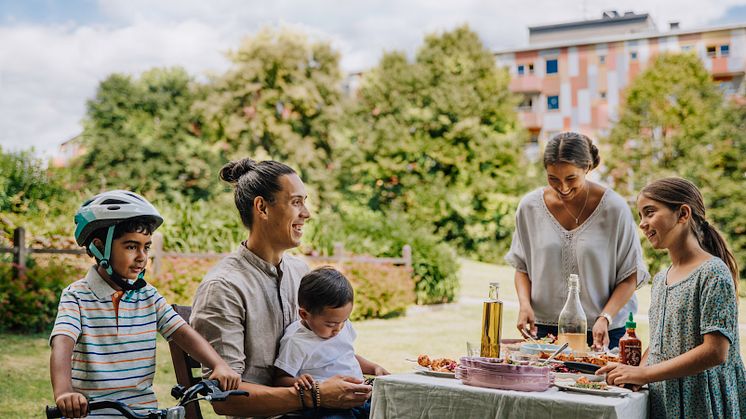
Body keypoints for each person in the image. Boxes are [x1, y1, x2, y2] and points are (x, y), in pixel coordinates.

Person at [190, 158, 372, 418]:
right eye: (296, 202)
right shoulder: (224, 288)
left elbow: (317, 346)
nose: (306, 213)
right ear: (262, 208)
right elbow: (225, 400)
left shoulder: (300, 271)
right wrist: (316, 395)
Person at [49, 190, 240, 419]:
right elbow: (62, 343)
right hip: (92, 412)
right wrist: (64, 392)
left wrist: (218, 364)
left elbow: (182, 333)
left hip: (143, 412)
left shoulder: (148, 296)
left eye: (146, 247)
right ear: (100, 246)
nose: (142, 256)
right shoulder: (77, 296)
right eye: (131, 246)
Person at [597, 177, 746, 417]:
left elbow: (716, 352)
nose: (643, 224)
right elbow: (658, 345)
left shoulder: (713, 273)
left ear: (683, 214)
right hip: (666, 401)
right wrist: (633, 373)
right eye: (640, 217)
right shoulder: (661, 279)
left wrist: (644, 374)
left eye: (650, 212)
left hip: (702, 403)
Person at [505, 132, 649, 349]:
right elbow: (522, 267)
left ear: (587, 167)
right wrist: (524, 304)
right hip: (544, 332)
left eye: (571, 178)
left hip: (603, 332)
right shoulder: (529, 208)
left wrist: (606, 317)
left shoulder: (614, 209)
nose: (563, 188)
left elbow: (630, 275)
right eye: (553, 179)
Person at [274, 267, 389, 419]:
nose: (339, 329)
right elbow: (279, 379)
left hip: (359, 399)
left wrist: (374, 368)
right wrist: (298, 382)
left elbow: (348, 355)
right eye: (330, 324)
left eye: (344, 321)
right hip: (327, 407)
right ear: (304, 314)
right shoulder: (296, 341)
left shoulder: (341, 326)